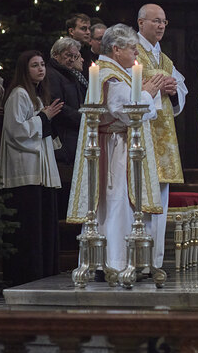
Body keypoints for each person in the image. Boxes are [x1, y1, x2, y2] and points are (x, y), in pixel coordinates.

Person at [67, 24, 165, 276]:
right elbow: (127, 111)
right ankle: (114, 263)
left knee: (118, 204)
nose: (136, 53)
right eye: (132, 48)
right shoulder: (110, 75)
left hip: (119, 146)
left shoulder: (115, 72)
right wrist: (147, 93)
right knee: (116, 204)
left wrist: (145, 93)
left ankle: (115, 262)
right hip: (115, 150)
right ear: (116, 49)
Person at [0, 50, 64, 285]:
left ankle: (44, 273)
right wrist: (44, 117)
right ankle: (27, 275)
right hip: (25, 170)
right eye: (35, 65)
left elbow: (41, 129)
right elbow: (16, 131)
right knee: (28, 227)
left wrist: (46, 119)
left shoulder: (36, 95)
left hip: (40, 170)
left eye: (42, 64)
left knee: (42, 224)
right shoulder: (19, 94)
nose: (41, 68)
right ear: (24, 70)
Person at [137, 3, 188, 270]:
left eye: (164, 22)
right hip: (141, 136)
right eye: (155, 21)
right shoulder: (131, 53)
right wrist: (155, 89)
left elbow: (182, 90)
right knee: (140, 199)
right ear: (141, 23)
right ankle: (137, 260)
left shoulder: (164, 59)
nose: (160, 26)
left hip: (164, 140)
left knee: (160, 201)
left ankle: (154, 262)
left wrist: (173, 90)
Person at [46, 37, 86, 217]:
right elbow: (58, 106)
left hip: (73, 136)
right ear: (56, 55)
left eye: (75, 56)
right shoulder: (53, 74)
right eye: (68, 55)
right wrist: (83, 118)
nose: (72, 59)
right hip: (63, 137)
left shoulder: (69, 74)